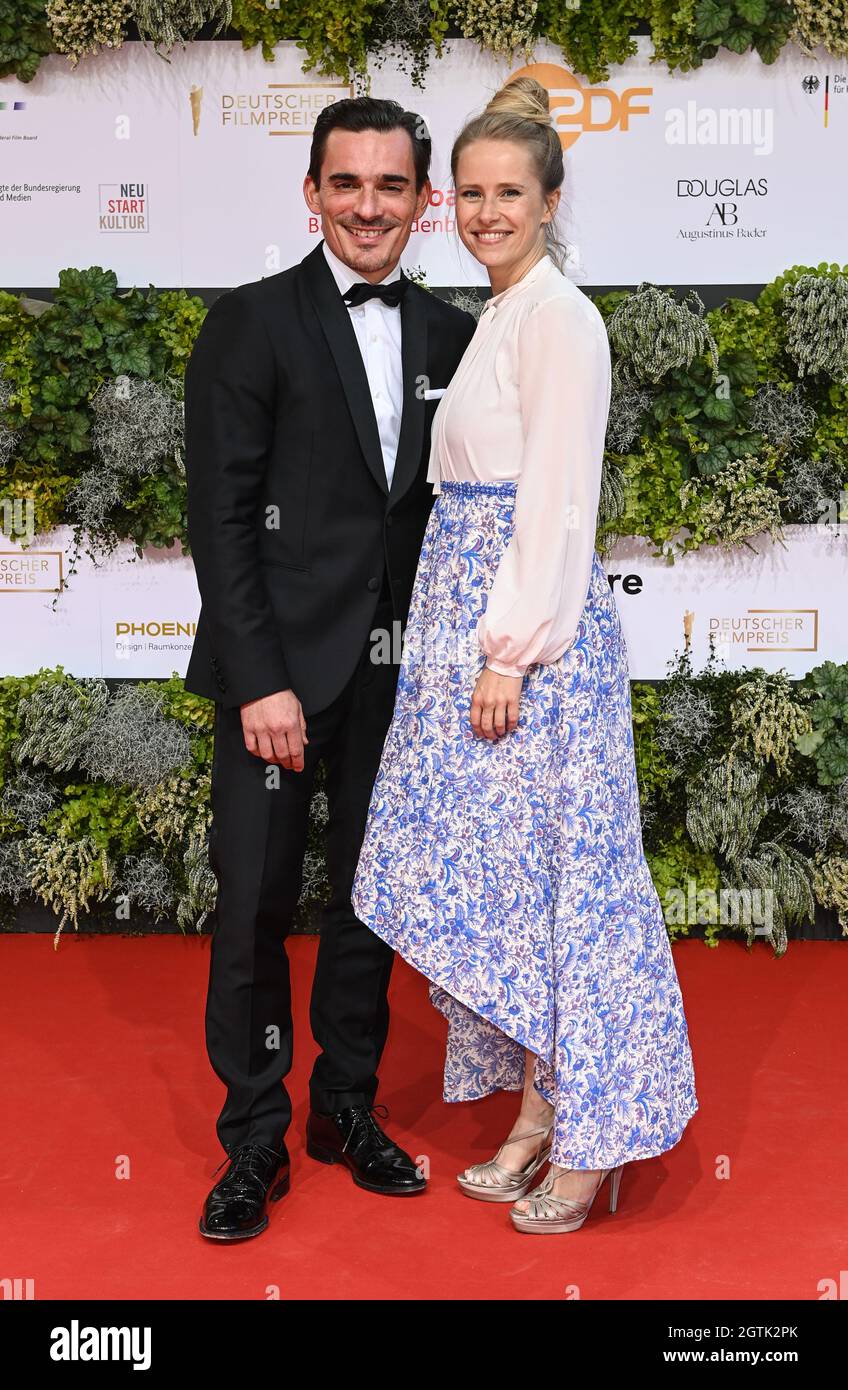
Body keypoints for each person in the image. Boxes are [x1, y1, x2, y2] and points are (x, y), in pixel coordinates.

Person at [351, 76, 699, 1235]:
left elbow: (552, 502)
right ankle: (541, 1112)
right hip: (473, 633)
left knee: (568, 883)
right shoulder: (501, 313)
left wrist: (505, 654)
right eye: (470, 193)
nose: (486, 211)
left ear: (550, 200)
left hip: (526, 648)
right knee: (514, 878)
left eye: (509, 192)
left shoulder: (559, 318)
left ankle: (588, 1139)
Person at [183, 96, 476, 1240]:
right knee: (253, 907)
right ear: (311, 193)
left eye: (389, 185)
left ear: (420, 201)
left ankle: (342, 1106)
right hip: (276, 674)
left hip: (400, 678)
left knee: (372, 903)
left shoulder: (454, 338)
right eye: (345, 183)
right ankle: (253, 1133)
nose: (366, 204)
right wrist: (261, 680)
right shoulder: (248, 324)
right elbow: (219, 518)